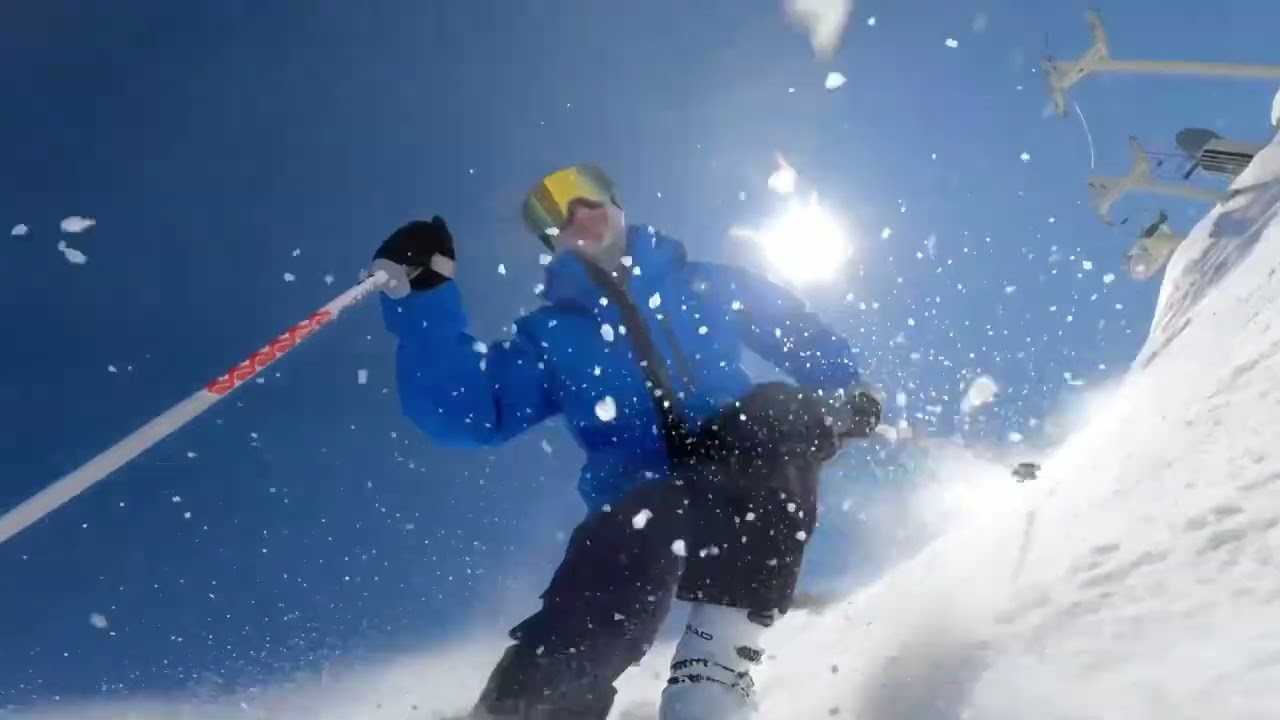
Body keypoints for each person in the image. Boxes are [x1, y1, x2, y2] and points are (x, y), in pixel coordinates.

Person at [370, 164, 881, 719]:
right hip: (645, 497)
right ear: (550, 239)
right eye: (553, 210)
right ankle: (527, 706)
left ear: (617, 204)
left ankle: (712, 673)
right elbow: (468, 412)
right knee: (604, 586)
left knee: (771, 411)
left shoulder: (703, 284)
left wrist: (843, 392)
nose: (577, 212)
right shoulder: (551, 334)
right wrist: (423, 297)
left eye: (588, 195)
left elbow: (792, 327)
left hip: (738, 462)